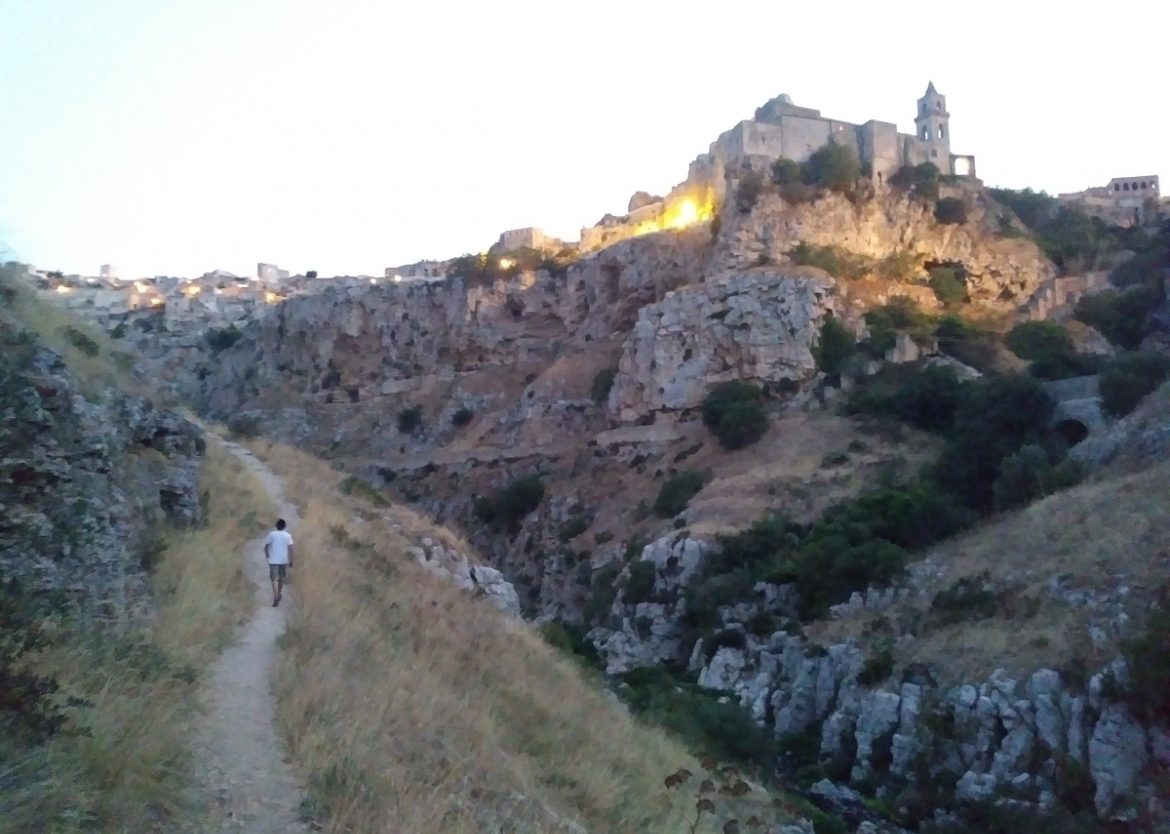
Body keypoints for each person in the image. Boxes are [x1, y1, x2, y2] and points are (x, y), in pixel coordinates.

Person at [263, 518, 294, 607]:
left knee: (273, 579)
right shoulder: (288, 536)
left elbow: (266, 547)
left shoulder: (272, 534)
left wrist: (267, 555)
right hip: (283, 560)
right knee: (281, 578)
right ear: (285, 526)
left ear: (276, 526)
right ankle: (279, 593)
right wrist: (291, 560)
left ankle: (275, 595)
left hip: (273, 560)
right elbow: (291, 549)